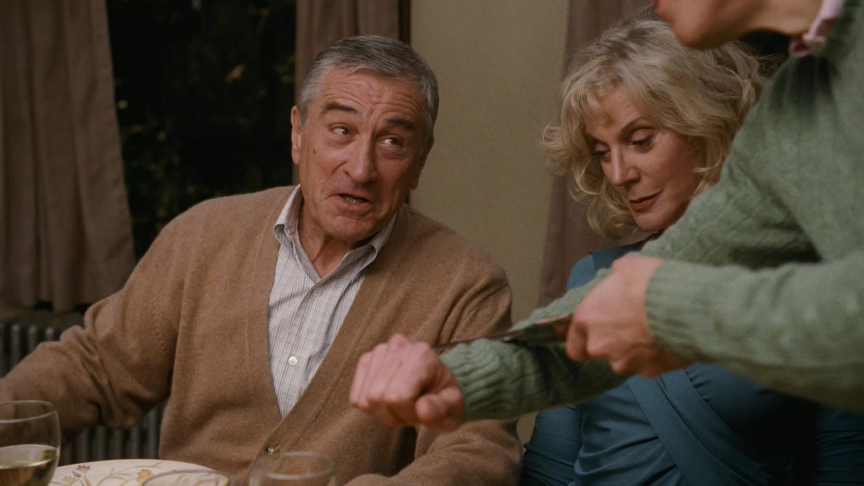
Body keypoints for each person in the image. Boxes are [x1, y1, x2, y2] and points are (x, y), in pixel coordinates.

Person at [0, 36, 522, 485]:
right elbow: (94, 367)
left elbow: (475, 452)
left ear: (420, 161)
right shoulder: (202, 236)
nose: (360, 168)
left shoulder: (465, 285)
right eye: (341, 131)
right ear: (298, 133)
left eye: (392, 142)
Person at [349, 0, 864, 435]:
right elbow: (672, 267)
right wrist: (460, 376)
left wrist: (664, 309)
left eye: (641, 140)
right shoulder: (794, 108)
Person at [515, 15, 864, 486]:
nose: (619, 174)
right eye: (602, 151)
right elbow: (550, 467)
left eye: (641, 141)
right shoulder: (591, 278)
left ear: (707, 125)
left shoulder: (808, 282)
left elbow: (845, 463)